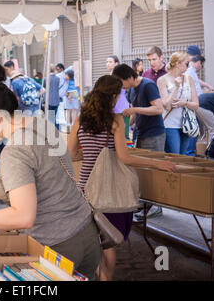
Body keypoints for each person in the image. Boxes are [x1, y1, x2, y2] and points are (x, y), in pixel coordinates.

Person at [0, 80, 102, 280]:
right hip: (85, 233)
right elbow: (18, 184)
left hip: (57, 245)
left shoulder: (15, 150)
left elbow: (22, 217)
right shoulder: (41, 124)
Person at [67, 75, 176, 281]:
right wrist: (157, 163)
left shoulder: (80, 119)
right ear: (114, 96)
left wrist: (91, 154)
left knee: (92, 241)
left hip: (83, 189)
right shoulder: (114, 120)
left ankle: (97, 276)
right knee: (108, 243)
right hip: (106, 189)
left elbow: (71, 154)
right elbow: (124, 157)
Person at [112, 64, 165, 151]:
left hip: (153, 134)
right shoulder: (130, 90)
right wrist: (121, 126)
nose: (121, 87)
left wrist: (134, 110)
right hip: (140, 133)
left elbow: (159, 109)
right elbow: (133, 116)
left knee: (152, 163)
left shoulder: (148, 85)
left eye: (121, 83)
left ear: (129, 77)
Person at [157, 52, 199, 154]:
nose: (188, 66)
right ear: (177, 64)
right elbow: (166, 104)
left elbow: (196, 105)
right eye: (186, 63)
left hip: (186, 124)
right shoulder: (162, 80)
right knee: (174, 156)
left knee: (183, 157)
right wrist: (176, 87)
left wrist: (184, 103)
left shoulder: (189, 79)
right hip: (170, 125)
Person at [184, 54, 214, 156]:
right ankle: (189, 153)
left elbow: (197, 82)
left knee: (195, 128)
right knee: (194, 128)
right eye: (202, 65)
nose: (201, 68)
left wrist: (207, 85)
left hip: (197, 103)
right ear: (198, 62)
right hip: (195, 104)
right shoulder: (189, 71)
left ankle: (190, 152)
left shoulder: (191, 72)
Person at [107, 56, 130, 139]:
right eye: (107, 62)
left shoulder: (121, 75)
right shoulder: (109, 76)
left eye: (110, 62)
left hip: (121, 102)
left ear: (116, 63)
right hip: (113, 103)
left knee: (123, 131)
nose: (108, 64)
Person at [46, 66, 61, 131]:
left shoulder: (46, 78)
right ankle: (56, 130)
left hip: (49, 100)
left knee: (50, 117)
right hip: (56, 100)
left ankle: (52, 131)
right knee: (54, 117)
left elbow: (44, 88)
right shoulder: (58, 78)